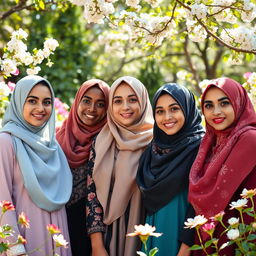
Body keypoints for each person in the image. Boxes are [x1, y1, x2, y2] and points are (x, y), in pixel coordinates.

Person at [0, 75, 72, 256]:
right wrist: (14, 247)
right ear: (18, 102)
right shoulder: (6, 142)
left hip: (56, 238)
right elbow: (2, 199)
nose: (41, 108)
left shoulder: (53, 146)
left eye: (47, 102)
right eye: (32, 101)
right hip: (25, 243)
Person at [86, 76, 154, 256]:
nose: (125, 107)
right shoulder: (101, 141)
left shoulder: (156, 141)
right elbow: (91, 195)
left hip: (146, 232)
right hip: (108, 234)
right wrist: (97, 245)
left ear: (143, 101)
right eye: (118, 101)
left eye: (132, 99)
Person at [189, 77, 256, 255]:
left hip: (241, 237)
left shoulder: (249, 138)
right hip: (215, 234)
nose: (216, 112)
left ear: (239, 103)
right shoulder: (211, 141)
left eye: (224, 103)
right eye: (209, 105)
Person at [136, 83, 204, 256]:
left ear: (187, 109)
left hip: (182, 237)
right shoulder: (152, 150)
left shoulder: (200, 148)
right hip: (154, 233)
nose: (167, 117)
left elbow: (198, 205)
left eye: (174, 109)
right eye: (160, 111)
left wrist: (185, 249)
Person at [56, 79, 110, 256]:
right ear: (77, 100)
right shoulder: (55, 140)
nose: (92, 109)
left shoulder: (108, 143)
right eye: (86, 100)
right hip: (57, 228)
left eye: (100, 104)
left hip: (96, 237)